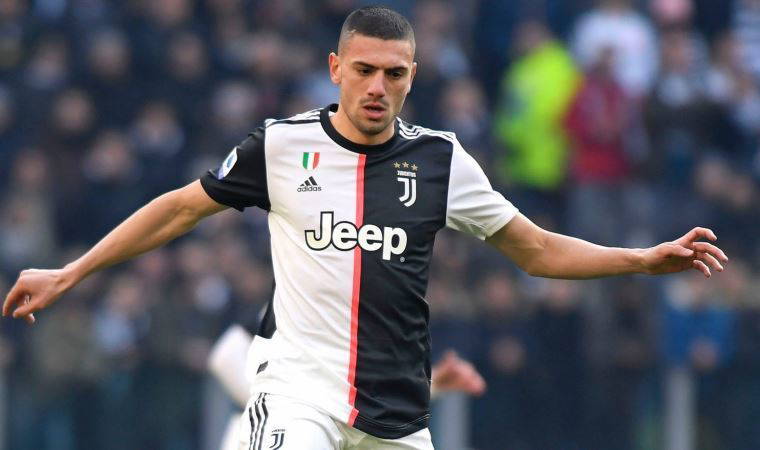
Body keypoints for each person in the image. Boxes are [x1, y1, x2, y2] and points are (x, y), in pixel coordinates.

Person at [3, 6, 728, 450]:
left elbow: (535, 250)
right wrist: (73, 271)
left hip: (397, 412)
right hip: (298, 392)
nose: (378, 87)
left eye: (394, 73)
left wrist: (642, 259)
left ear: (413, 75)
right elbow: (180, 207)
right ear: (335, 69)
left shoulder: (442, 160)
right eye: (363, 70)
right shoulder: (280, 146)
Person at [208, 316, 486, 450]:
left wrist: (433, 385)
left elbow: (360, 395)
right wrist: (283, 407)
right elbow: (225, 355)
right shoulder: (303, 302)